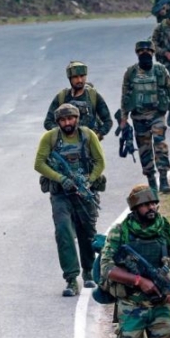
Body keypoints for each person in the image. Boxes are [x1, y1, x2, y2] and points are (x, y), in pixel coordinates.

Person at [100, 184, 170, 338]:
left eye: (154, 203)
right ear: (135, 207)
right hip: (131, 306)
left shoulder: (166, 230)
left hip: (160, 306)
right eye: (145, 204)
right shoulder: (120, 231)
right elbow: (107, 268)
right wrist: (139, 281)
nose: (151, 208)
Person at [34, 103, 106, 296]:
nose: (67, 123)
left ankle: (89, 271)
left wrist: (89, 181)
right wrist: (61, 179)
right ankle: (71, 279)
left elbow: (100, 162)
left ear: (77, 119)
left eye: (70, 119)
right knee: (64, 231)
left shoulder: (88, 135)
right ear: (58, 122)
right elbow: (39, 163)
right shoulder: (50, 138)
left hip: (84, 192)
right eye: (63, 120)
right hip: (60, 195)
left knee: (87, 232)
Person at [119, 40, 170, 194]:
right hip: (139, 118)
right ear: (137, 54)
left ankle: (164, 178)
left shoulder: (160, 71)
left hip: (157, 115)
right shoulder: (131, 73)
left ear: (153, 53)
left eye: (148, 51)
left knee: (160, 144)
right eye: (141, 51)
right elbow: (125, 95)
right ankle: (152, 182)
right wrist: (123, 118)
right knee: (144, 150)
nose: (144, 54)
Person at [44, 61, 113, 140]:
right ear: (70, 78)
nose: (79, 80)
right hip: (65, 147)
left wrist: (98, 135)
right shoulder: (62, 97)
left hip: (89, 145)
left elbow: (108, 121)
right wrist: (62, 133)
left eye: (82, 76)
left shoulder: (93, 96)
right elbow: (48, 122)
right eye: (75, 77)